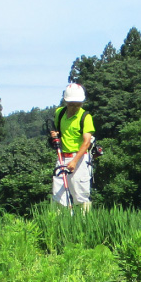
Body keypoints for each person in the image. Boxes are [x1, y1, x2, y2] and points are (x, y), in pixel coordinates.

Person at [50, 83, 96, 212]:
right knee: (58, 195)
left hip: (80, 158)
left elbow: (86, 142)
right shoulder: (59, 113)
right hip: (62, 156)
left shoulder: (86, 117)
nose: (75, 107)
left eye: (78, 103)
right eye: (72, 104)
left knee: (80, 193)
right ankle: (59, 223)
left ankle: (83, 223)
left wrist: (75, 161)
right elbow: (58, 130)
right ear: (66, 101)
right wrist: (55, 134)